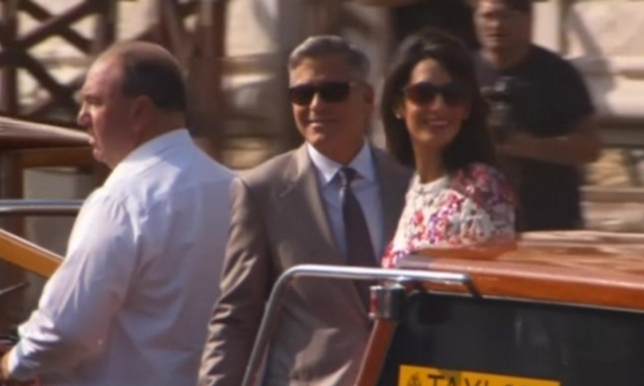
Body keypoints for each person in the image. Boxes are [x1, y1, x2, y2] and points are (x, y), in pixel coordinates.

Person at [0, 42, 234, 385]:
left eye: (94, 101)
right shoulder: (235, 188)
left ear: (139, 112)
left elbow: (66, 330)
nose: (81, 117)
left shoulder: (121, 200)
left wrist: (8, 365)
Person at [198, 36, 411, 386]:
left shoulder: (406, 182)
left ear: (368, 99)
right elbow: (236, 316)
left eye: (333, 91)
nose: (316, 105)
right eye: (302, 94)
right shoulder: (262, 191)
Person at [380, 28, 516, 269]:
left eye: (453, 95)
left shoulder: (482, 187)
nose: (439, 106)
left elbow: (488, 287)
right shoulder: (412, 186)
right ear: (399, 105)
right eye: (423, 94)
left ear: (466, 108)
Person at [473, 0, 601, 231]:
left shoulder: (558, 74)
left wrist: (528, 146)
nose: (496, 25)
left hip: (549, 221)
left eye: (506, 16)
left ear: (529, 18)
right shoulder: (463, 72)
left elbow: (590, 147)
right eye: (488, 16)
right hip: (480, 220)